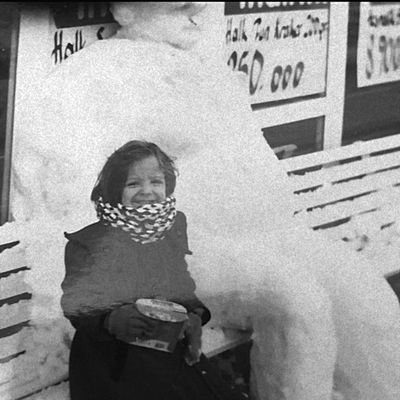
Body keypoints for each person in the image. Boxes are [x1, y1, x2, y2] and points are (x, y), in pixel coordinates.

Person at [60, 140, 246, 400]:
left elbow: (179, 281)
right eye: (133, 183)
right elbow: (76, 304)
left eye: (156, 182)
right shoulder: (91, 244)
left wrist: (192, 315)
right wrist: (110, 320)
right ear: (116, 190)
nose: (146, 191)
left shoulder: (171, 227)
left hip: (165, 344)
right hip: (112, 358)